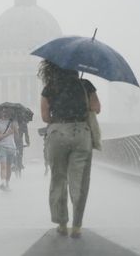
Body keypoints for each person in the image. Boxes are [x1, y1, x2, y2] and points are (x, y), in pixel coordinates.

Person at [39, 59, 100, 238]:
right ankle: (77, 225)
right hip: (81, 133)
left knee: (58, 179)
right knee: (80, 180)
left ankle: (62, 223)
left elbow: (44, 116)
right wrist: (81, 104)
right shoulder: (85, 85)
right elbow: (96, 108)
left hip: (58, 133)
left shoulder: (50, 87)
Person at [0, 107, 18, 191]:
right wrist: (7, 133)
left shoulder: (12, 122)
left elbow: (17, 134)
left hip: (12, 147)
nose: (4, 113)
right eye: (3, 112)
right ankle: (3, 183)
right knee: (3, 166)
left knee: (8, 167)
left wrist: (14, 125)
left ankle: (7, 183)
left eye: (6, 112)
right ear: (1, 113)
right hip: (3, 147)